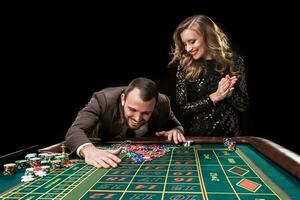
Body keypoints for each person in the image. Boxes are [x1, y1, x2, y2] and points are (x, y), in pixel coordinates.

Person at [65, 77, 185, 168]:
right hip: (103, 156)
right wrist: (89, 151)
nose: (137, 119)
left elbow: (177, 126)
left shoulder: (163, 103)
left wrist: (176, 131)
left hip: (143, 162)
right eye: (132, 109)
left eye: (146, 113)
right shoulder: (103, 100)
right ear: (123, 99)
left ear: (154, 106)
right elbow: (74, 131)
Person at [169, 14, 249, 136]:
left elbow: (243, 105)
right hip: (198, 137)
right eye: (185, 44)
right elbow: (183, 108)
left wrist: (228, 93)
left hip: (230, 137)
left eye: (192, 42)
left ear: (208, 36)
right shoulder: (185, 65)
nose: (188, 48)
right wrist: (214, 97)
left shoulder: (234, 61)